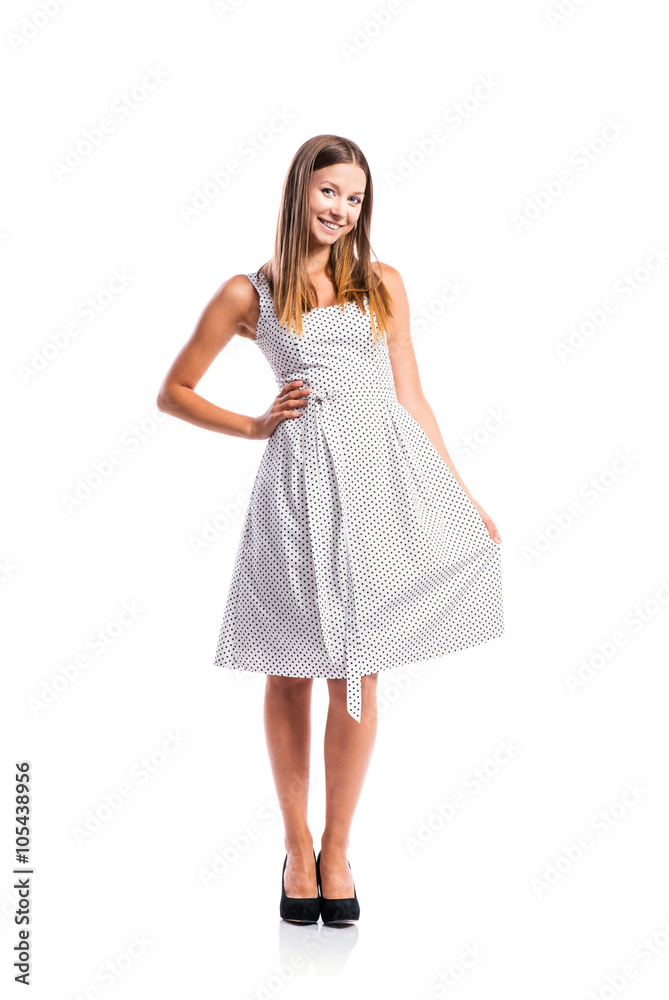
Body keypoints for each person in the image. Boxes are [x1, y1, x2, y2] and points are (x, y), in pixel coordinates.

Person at [156, 134, 504, 925]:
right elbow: (173, 390)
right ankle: (295, 846)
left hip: (379, 487)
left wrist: (461, 494)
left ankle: (338, 849)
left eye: (354, 199)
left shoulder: (381, 282)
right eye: (328, 193)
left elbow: (411, 397)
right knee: (289, 668)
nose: (340, 210)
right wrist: (251, 426)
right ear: (298, 193)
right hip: (296, 489)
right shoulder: (252, 292)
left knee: (361, 666)